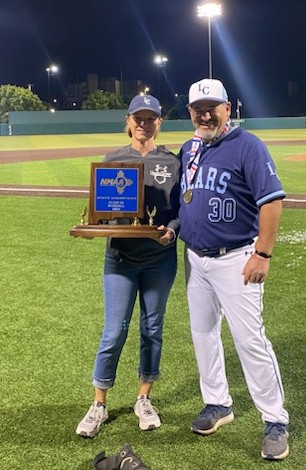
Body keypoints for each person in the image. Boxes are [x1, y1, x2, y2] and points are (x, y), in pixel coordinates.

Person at [178, 78, 290, 461]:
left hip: (236, 258)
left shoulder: (248, 146)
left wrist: (263, 253)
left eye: (213, 107)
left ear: (228, 108)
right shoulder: (189, 147)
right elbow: (185, 198)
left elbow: (271, 202)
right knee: (203, 334)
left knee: (250, 341)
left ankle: (275, 421)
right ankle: (218, 404)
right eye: (198, 108)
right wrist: (174, 228)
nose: (205, 114)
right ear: (190, 112)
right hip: (195, 258)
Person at [76, 94, 180, 438]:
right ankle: (99, 404)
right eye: (138, 117)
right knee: (114, 331)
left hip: (159, 260)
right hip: (120, 259)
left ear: (159, 123)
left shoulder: (171, 161)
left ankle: (143, 398)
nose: (144, 124)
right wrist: (96, 227)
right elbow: (105, 210)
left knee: (152, 330)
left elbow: (181, 210)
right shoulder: (113, 159)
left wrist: (173, 230)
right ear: (128, 121)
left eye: (151, 118)